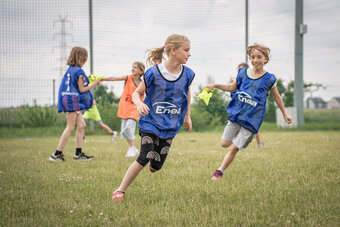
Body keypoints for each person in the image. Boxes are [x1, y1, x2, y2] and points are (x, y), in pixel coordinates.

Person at [111, 34, 195, 201]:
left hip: (170, 124)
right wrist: (139, 104)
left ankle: (154, 165)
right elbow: (136, 93)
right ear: (173, 50)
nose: (189, 54)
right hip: (150, 122)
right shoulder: (153, 73)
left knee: (157, 165)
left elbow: (187, 93)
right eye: (186, 50)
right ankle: (120, 190)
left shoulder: (188, 74)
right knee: (144, 156)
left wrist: (187, 116)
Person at [205, 43, 292, 180]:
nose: (255, 60)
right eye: (252, 57)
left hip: (252, 120)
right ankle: (242, 139)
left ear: (266, 59)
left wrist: (285, 114)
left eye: (259, 57)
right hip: (237, 115)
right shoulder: (242, 73)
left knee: (233, 149)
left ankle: (219, 172)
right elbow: (231, 88)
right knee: (224, 144)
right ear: (249, 59)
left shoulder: (270, 79)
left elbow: (277, 97)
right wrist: (215, 85)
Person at [49, 47, 101, 162]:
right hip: (71, 100)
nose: (86, 59)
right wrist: (95, 83)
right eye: (85, 56)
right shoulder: (79, 71)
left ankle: (78, 154)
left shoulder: (71, 70)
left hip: (70, 99)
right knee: (70, 127)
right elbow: (82, 89)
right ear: (81, 57)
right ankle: (57, 154)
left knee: (81, 125)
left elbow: (75, 85)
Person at [102, 62, 146, 157]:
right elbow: (114, 78)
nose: (133, 69)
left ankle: (132, 148)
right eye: (132, 67)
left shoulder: (144, 83)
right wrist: (102, 79)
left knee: (129, 126)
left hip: (135, 108)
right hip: (125, 107)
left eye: (135, 67)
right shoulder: (128, 78)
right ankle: (132, 148)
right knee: (125, 129)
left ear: (141, 71)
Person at [237, 62, 264, 148]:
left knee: (252, 124)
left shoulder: (252, 79)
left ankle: (258, 141)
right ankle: (239, 141)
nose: (240, 71)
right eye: (238, 69)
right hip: (241, 106)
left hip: (251, 106)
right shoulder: (239, 79)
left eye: (241, 69)